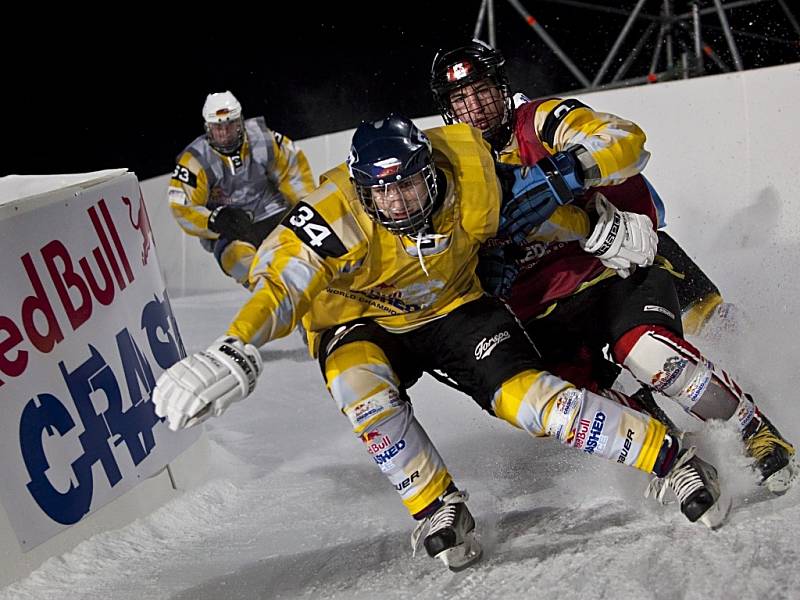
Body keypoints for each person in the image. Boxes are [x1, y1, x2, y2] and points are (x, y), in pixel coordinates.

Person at [153, 115, 730, 573]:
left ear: (430, 171)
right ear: (359, 192)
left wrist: (597, 231)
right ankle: (434, 505)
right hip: (358, 320)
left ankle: (669, 456)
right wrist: (233, 347)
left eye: (409, 184)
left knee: (534, 404)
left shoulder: (470, 175)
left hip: (454, 307)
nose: (400, 203)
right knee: (365, 395)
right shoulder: (330, 218)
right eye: (384, 192)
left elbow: (526, 214)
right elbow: (280, 285)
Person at [429, 40, 796, 493]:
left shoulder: (543, 121)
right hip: (541, 314)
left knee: (673, 345)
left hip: (615, 266)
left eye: (481, 90)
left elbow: (624, 140)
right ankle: (674, 456)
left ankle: (750, 424)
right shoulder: (449, 174)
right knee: (580, 397)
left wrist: (569, 170)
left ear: (502, 88)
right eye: (460, 99)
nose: (475, 107)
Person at [168, 90, 315, 287]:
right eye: (217, 127)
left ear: (241, 122)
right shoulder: (195, 160)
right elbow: (182, 206)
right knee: (241, 264)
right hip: (231, 231)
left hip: (274, 214)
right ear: (207, 128)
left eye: (230, 125)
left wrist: (307, 208)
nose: (224, 133)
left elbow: (294, 170)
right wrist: (214, 219)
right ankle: (270, 295)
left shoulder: (264, 140)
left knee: (310, 251)